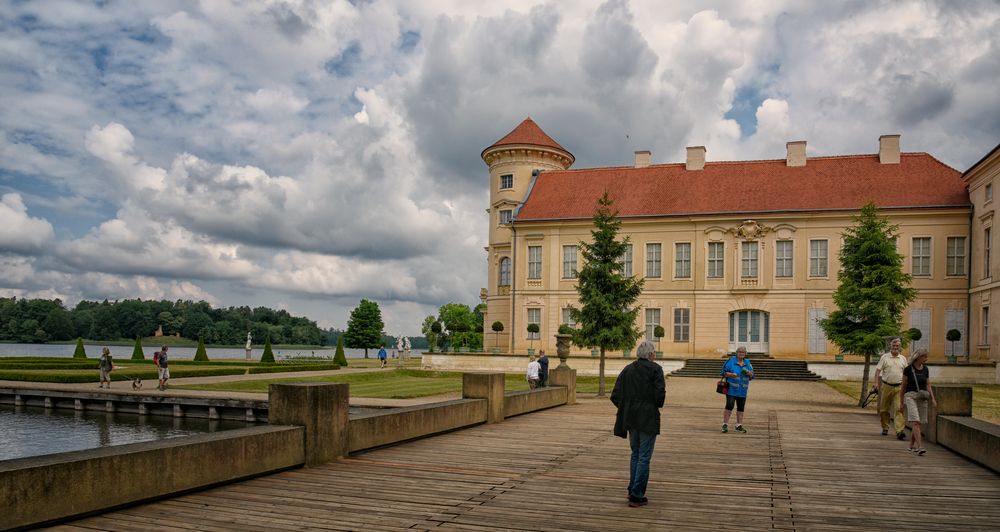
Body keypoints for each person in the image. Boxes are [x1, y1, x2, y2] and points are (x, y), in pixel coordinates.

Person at [611, 340, 665, 508]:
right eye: (654, 352)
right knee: (643, 457)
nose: (654, 355)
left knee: (635, 454)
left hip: (631, 418)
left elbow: (615, 395)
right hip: (648, 417)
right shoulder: (656, 369)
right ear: (650, 354)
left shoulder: (628, 369)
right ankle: (636, 495)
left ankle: (632, 489)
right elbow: (659, 397)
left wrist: (627, 406)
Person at [900, 349, 936, 455]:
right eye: (924, 356)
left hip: (922, 397)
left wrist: (933, 398)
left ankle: (911, 445)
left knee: (919, 422)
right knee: (915, 421)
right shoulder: (908, 369)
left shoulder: (926, 369)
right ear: (918, 357)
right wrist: (901, 402)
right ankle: (920, 446)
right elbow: (903, 386)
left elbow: (928, 384)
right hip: (910, 396)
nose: (926, 358)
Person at [874, 337, 908, 439]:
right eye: (893, 345)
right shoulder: (884, 357)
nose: (895, 347)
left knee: (899, 409)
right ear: (890, 346)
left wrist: (906, 385)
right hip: (886, 386)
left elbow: (906, 374)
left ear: (900, 347)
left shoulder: (903, 359)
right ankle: (885, 427)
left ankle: (899, 431)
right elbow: (877, 371)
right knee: (884, 409)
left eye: (897, 346)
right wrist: (876, 383)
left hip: (899, 387)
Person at [720, 346, 755, 433]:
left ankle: (738, 425)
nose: (741, 354)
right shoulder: (730, 361)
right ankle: (725, 424)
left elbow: (752, 376)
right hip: (731, 389)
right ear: (736, 353)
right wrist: (730, 374)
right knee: (729, 405)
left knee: (741, 407)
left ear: (745, 354)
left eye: (743, 352)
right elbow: (722, 373)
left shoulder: (747, 362)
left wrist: (749, 373)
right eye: (740, 352)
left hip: (743, 390)